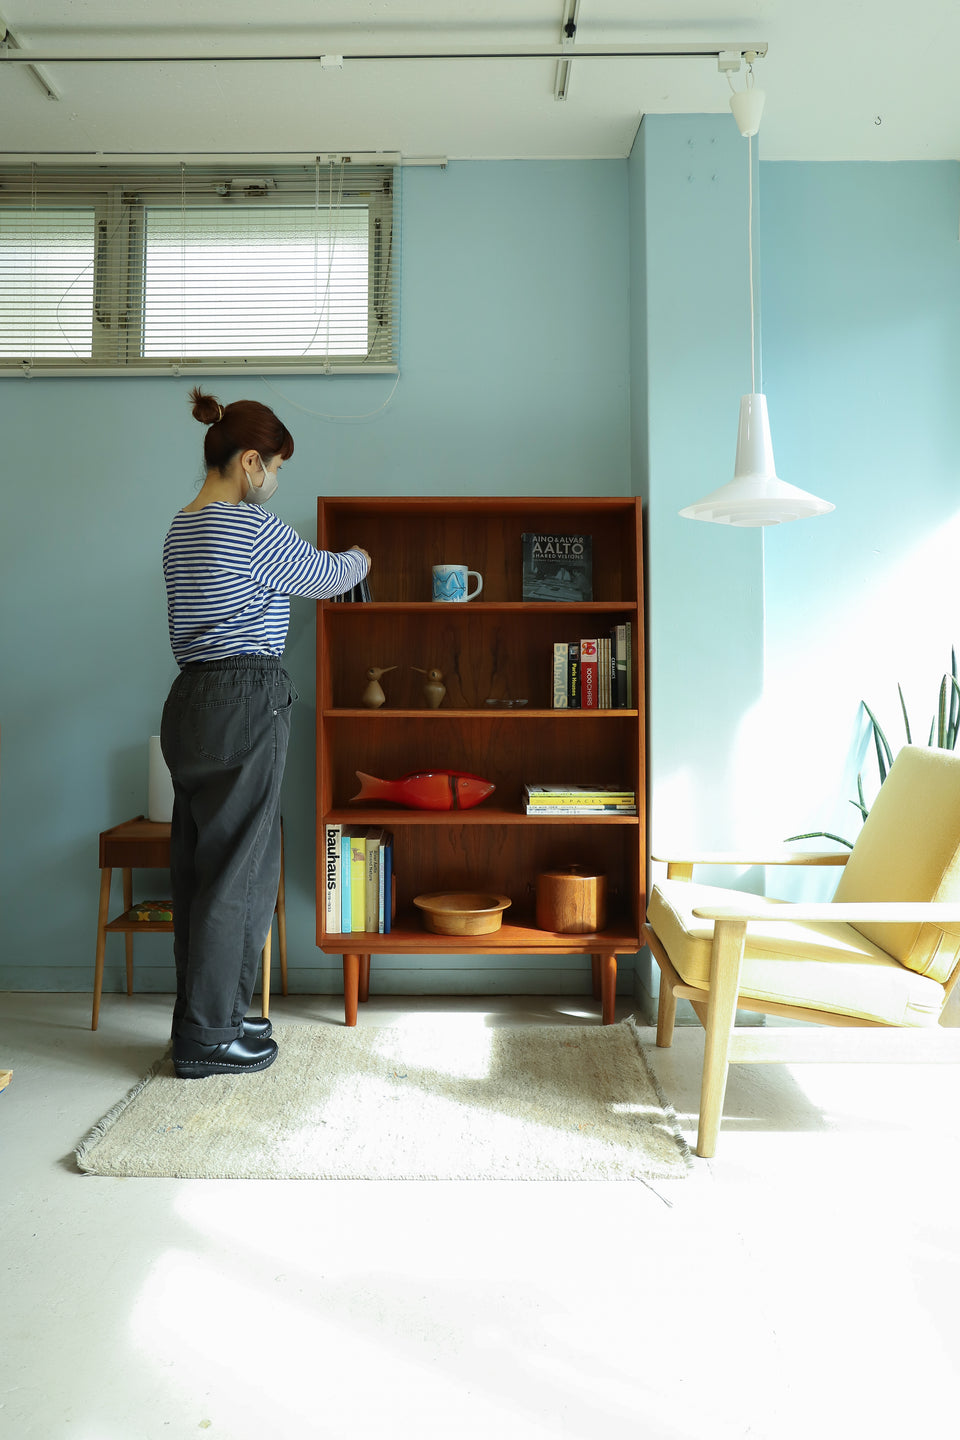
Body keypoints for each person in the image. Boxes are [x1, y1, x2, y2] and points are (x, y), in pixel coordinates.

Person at [160, 388, 370, 1078]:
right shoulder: (249, 527)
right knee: (241, 871)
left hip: (189, 699)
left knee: (199, 869)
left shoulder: (179, 528)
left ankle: (203, 1015)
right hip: (245, 697)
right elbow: (326, 574)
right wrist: (362, 558)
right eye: (274, 466)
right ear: (249, 461)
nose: (274, 481)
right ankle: (212, 1034)